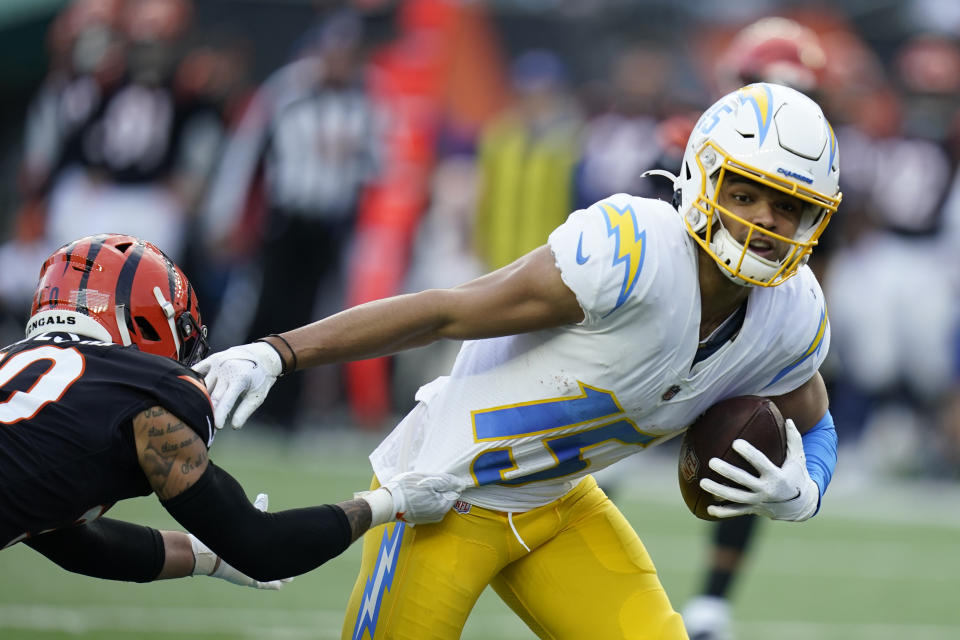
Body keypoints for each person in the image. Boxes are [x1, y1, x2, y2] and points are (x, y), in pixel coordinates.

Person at [197, 82, 841, 639]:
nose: (765, 221)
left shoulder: (793, 313)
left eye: (790, 207)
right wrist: (277, 352)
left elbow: (816, 416)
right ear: (704, 177)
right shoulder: (634, 253)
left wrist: (807, 489)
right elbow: (446, 310)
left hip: (563, 506)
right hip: (441, 497)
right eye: (747, 193)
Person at [0, 233, 464, 588]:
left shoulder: (19, 372)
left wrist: (210, 557)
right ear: (144, 316)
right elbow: (263, 546)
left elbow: (72, 540)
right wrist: (390, 501)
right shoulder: (141, 397)